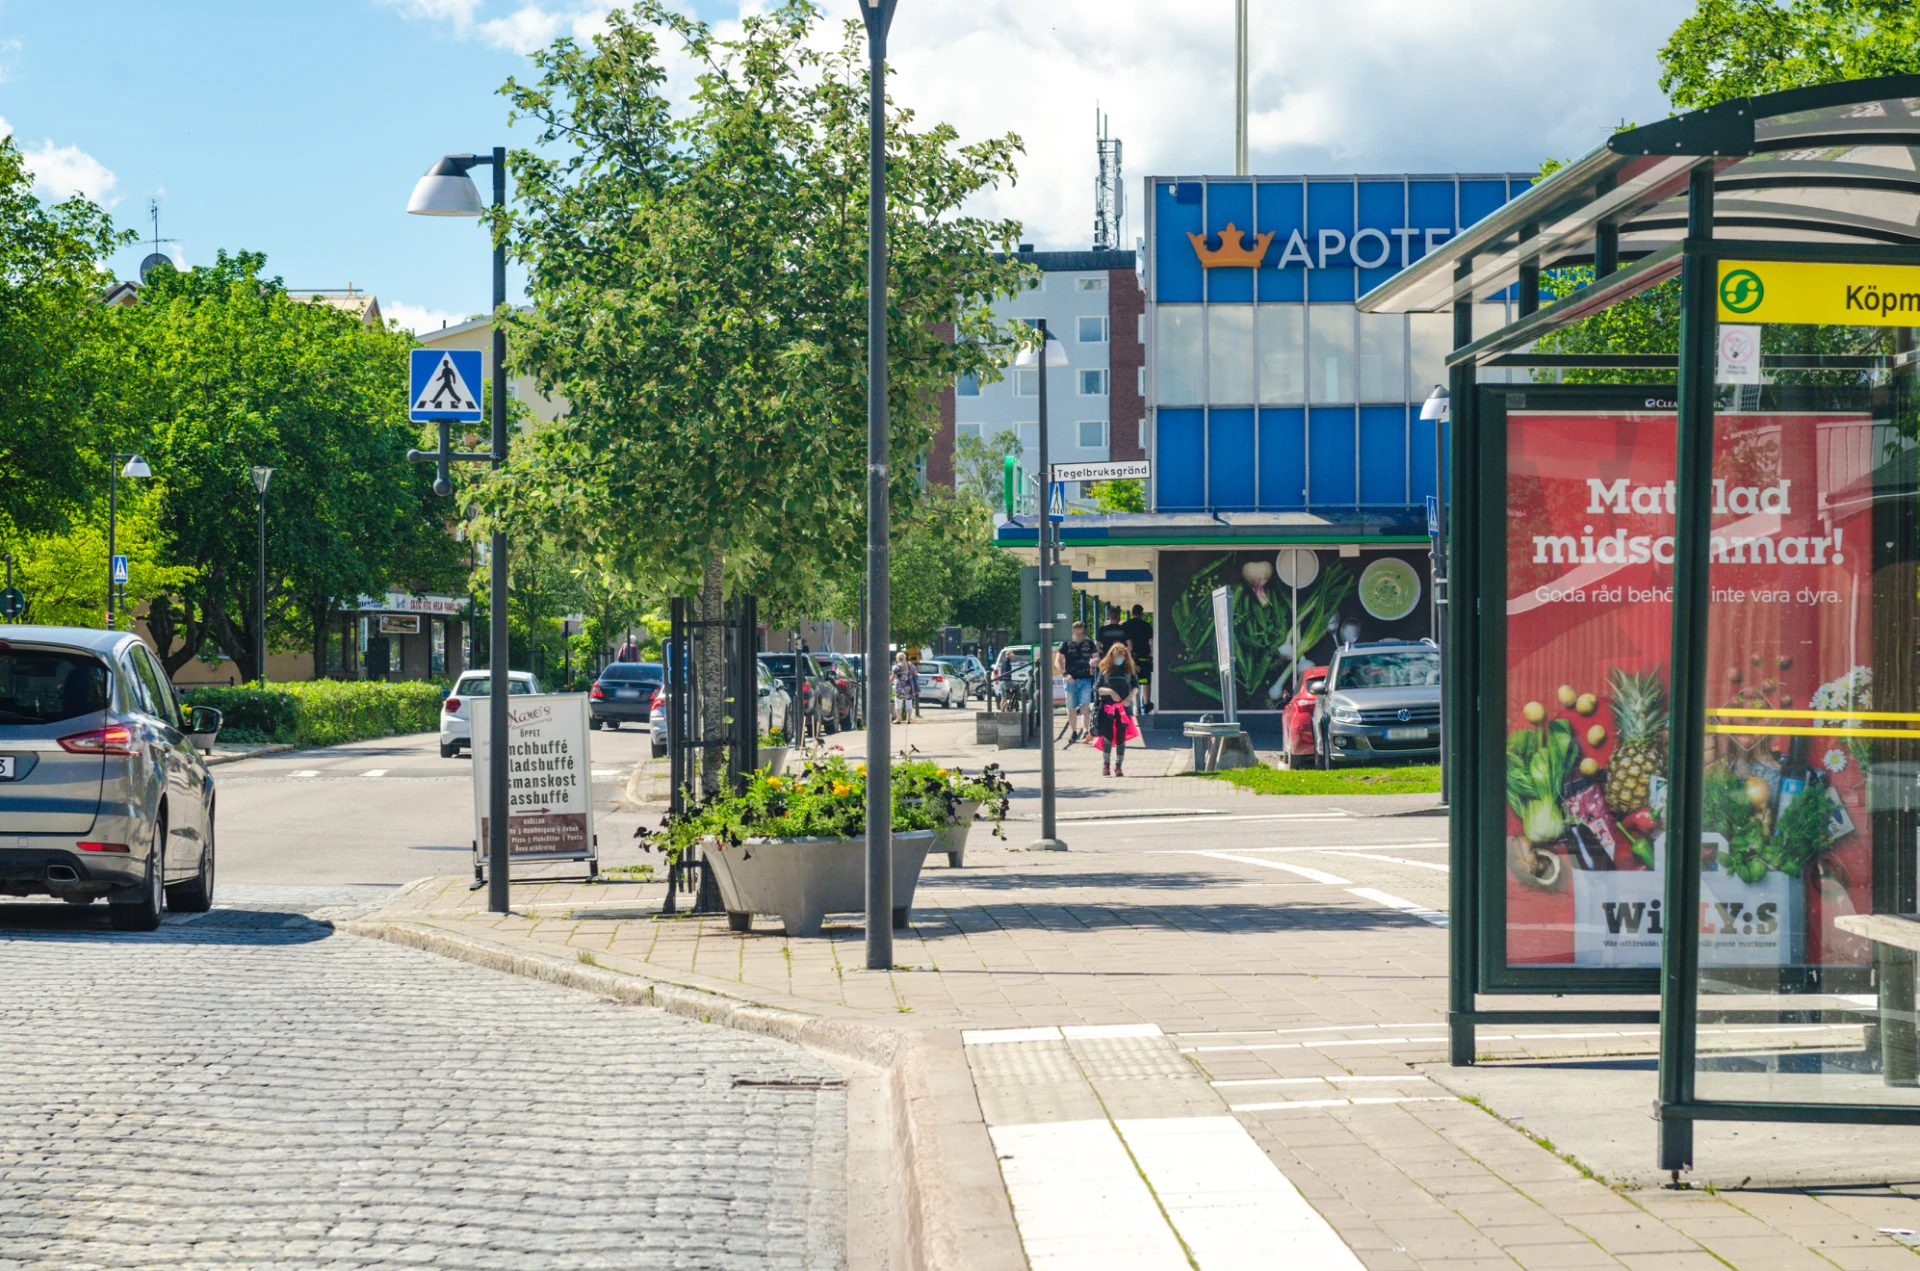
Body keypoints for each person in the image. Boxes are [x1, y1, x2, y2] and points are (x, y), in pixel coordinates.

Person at [1091, 643, 1140, 777]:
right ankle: (1106, 764)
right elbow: (1097, 688)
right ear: (1111, 656)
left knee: (1121, 737)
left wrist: (1129, 698)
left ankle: (1118, 766)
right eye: (1117, 656)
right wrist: (1110, 691)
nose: (1119, 659)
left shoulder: (1128, 670)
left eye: (1122, 656)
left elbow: (1136, 686)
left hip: (1123, 709)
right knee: (1107, 737)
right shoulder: (1105, 670)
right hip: (1107, 709)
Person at [1055, 620, 1098, 742]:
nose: (1079, 636)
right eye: (1077, 634)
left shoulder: (1089, 642)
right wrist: (1065, 674)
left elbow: (1096, 656)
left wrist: (1094, 661)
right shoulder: (1066, 643)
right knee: (1071, 707)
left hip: (1085, 678)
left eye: (1081, 634)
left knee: (1085, 705)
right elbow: (1057, 661)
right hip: (1070, 679)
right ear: (1072, 632)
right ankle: (1074, 732)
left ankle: (1085, 731)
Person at [1120, 603, 1154, 713]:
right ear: (1141, 613)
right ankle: (1147, 704)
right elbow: (1151, 642)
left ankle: (1135, 706)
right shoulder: (1146, 625)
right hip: (1144, 657)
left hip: (1130, 658)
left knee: (1132, 682)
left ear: (1133, 612)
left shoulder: (1125, 625)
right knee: (1145, 682)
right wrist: (1152, 654)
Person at [890, 651, 918, 724]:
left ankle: (898, 719)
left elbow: (892, 677)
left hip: (899, 687)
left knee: (898, 703)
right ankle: (908, 719)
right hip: (909, 686)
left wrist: (887, 683)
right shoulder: (910, 665)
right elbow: (915, 673)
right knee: (909, 703)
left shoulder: (896, 667)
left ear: (897, 659)